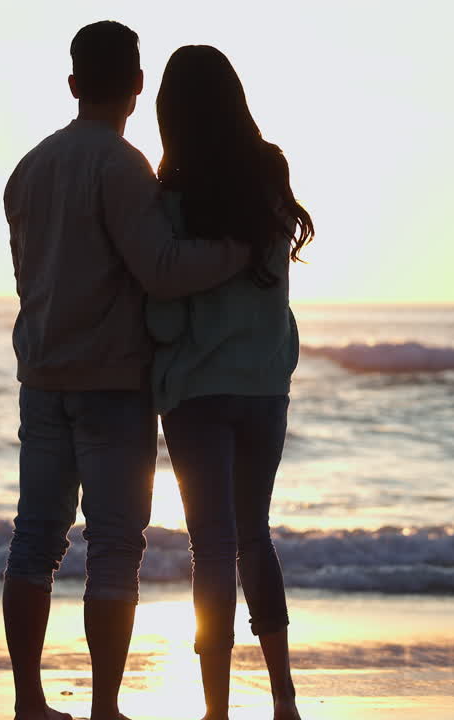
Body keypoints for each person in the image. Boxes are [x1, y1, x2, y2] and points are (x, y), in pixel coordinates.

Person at [1, 22, 248, 720]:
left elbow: (30, 277)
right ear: (138, 86)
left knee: (34, 540)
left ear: (75, 84)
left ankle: (29, 703)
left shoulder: (29, 167)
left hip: (42, 376)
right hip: (111, 382)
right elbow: (163, 272)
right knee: (113, 547)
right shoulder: (121, 165)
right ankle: (105, 708)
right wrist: (237, 252)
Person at [147, 45, 315, 720]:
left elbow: (162, 313)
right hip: (264, 385)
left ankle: (214, 710)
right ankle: (284, 699)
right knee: (254, 538)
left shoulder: (174, 194)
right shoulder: (269, 173)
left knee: (211, 548)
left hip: (196, 389)